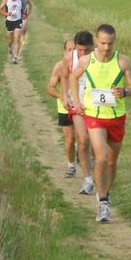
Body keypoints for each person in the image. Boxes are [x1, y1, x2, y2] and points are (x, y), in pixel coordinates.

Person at [69, 24, 131, 222]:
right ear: (96, 42)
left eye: (110, 43)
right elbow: (73, 77)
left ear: (114, 42)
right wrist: (77, 101)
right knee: (101, 157)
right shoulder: (86, 61)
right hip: (94, 115)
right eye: (102, 43)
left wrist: (125, 92)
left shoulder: (122, 62)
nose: (106, 47)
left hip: (116, 116)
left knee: (111, 161)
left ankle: (105, 194)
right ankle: (103, 203)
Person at [62, 31, 95, 195]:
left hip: (96, 104)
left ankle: (92, 162)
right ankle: (88, 180)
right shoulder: (70, 57)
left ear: (92, 46)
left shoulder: (100, 57)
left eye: (86, 51)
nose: (82, 54)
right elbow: (65, 76)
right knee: (83, 140)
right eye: (79, 50)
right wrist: (64, 95)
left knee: (96, 144)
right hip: (78, 102)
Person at [47, 39, 77, 178]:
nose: (72, 53)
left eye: (74, 50)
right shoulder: (59, 67)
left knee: (84, 139)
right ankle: (71, 165)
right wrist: (61, 96)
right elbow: (50, 87)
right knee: (70, 138)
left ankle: (82, 153)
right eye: (69, 50)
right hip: (65, 107)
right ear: (64, 51)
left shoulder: (84, 65)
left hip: (82, 106)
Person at [0, 0, 23, 64]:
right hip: (9, 21)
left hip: (18, 20)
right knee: (10, 40)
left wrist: (26, 12)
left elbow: (26, 0)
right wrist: (6, 13)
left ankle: (15, 57)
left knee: (17, 38)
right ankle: (9, 48)